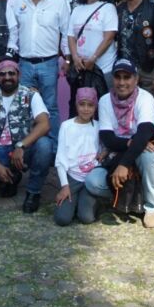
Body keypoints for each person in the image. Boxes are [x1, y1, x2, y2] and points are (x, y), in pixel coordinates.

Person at [84, 60, 154, 228]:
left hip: (148, 157)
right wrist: (132, 143)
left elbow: (144, 134)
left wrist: (124, 163)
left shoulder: (145, 98)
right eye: (118, 77)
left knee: (147, 153)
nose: (122, 82)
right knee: (92, 182)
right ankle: (132, 196)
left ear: (136, 79)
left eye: (127, 77)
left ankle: (153, 206)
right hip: (120, 153)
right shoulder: (106, 100)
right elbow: (108, 138)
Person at [0, 59, 54, 212]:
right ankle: (11, 178)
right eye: (2, 74)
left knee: (45, 145)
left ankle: (33, 192)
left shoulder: (30, 95)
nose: (7, 77)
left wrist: (21, 145)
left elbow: (44, 124)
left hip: (26, 148)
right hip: (0, 149)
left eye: (11, 73)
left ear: (19, 75)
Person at [14, 0, 69, 139]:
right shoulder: (17, 3)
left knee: (50, 106)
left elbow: (66, 33)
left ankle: (53, 150)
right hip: (24, 64)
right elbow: (13, 33)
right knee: (24, 106)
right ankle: (26, 148)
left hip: (49, 63)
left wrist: (67, 60)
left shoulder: (59, 4)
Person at [54, 87, 103, 226]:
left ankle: (89, 202)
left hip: (91, 179)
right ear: (76, 105)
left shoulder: (99, 126)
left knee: (87, 218)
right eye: (82, 104)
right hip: (72, 178)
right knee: (62, 219)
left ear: (95, 106)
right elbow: (60, 160)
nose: (86, 109)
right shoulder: (66, 126)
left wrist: (104, 152)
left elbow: (106, 147)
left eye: (90, 105)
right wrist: (64, 185)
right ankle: (73, 201)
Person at [67, 0, 118, 101]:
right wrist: (75, 58)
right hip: (81, 68)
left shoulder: (108, 8)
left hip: (103, 68)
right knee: (82, 107)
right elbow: (71, 36)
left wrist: (93, 58)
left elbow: (109, 37)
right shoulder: (77, 10)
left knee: (104, 105)